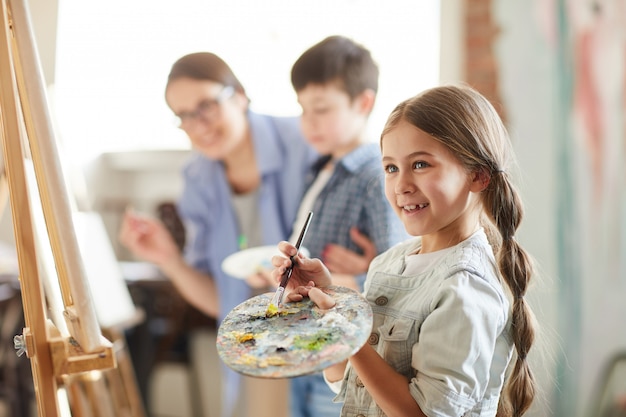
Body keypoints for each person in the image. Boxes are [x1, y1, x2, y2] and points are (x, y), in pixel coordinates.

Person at [272, 85, 538, 417]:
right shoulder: (388, 264)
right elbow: (348, 384)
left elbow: (426, 413)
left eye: (422, 164)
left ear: (478, 175)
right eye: (391, 168)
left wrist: (347, 327)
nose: (402, 185)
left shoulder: (467, 286)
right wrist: (329, 299)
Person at [118, 52, 318, 417]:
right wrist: (168, 259)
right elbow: (221, 301)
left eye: (206, 105)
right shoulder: (197, 178)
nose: (198, 124)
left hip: (318, 335)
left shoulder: (305, 143)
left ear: (239, 96)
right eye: (183, 115)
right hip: (258, 346)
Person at [260, 35, 407, 417]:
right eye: (303, 109)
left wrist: (363, 274)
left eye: (321, 109)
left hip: (344, 350)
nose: (308, 121)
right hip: (308, 342)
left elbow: (396, 284)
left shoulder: (377, 177)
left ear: (364, 103)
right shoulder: (319, 169)